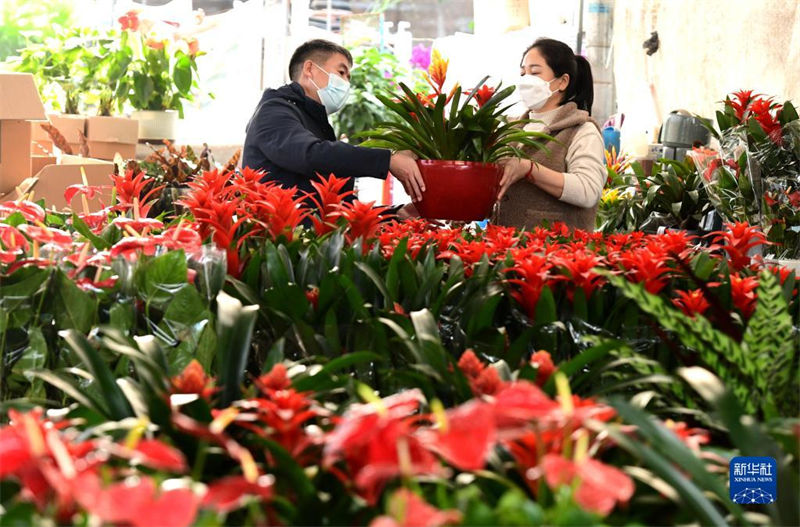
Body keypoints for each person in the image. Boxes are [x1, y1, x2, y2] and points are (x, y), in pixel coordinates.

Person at [242, 39, 425, 206]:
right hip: (281, 238)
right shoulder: (274, 111)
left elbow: (339, 203)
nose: (346, 83)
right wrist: (387, 160)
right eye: (341, 72)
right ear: (309, 69)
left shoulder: (314, 121)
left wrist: (396, 214)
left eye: (348, 77)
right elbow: (311, 155)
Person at [495, 38, 605, 231]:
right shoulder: (512, 129)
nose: (526, 80)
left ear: (562, 81)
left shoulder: (581, 130)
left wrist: (530, 169)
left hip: (558, 253)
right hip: (507, 250)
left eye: (535, 72)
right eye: (523, 73)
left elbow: (588, 190)